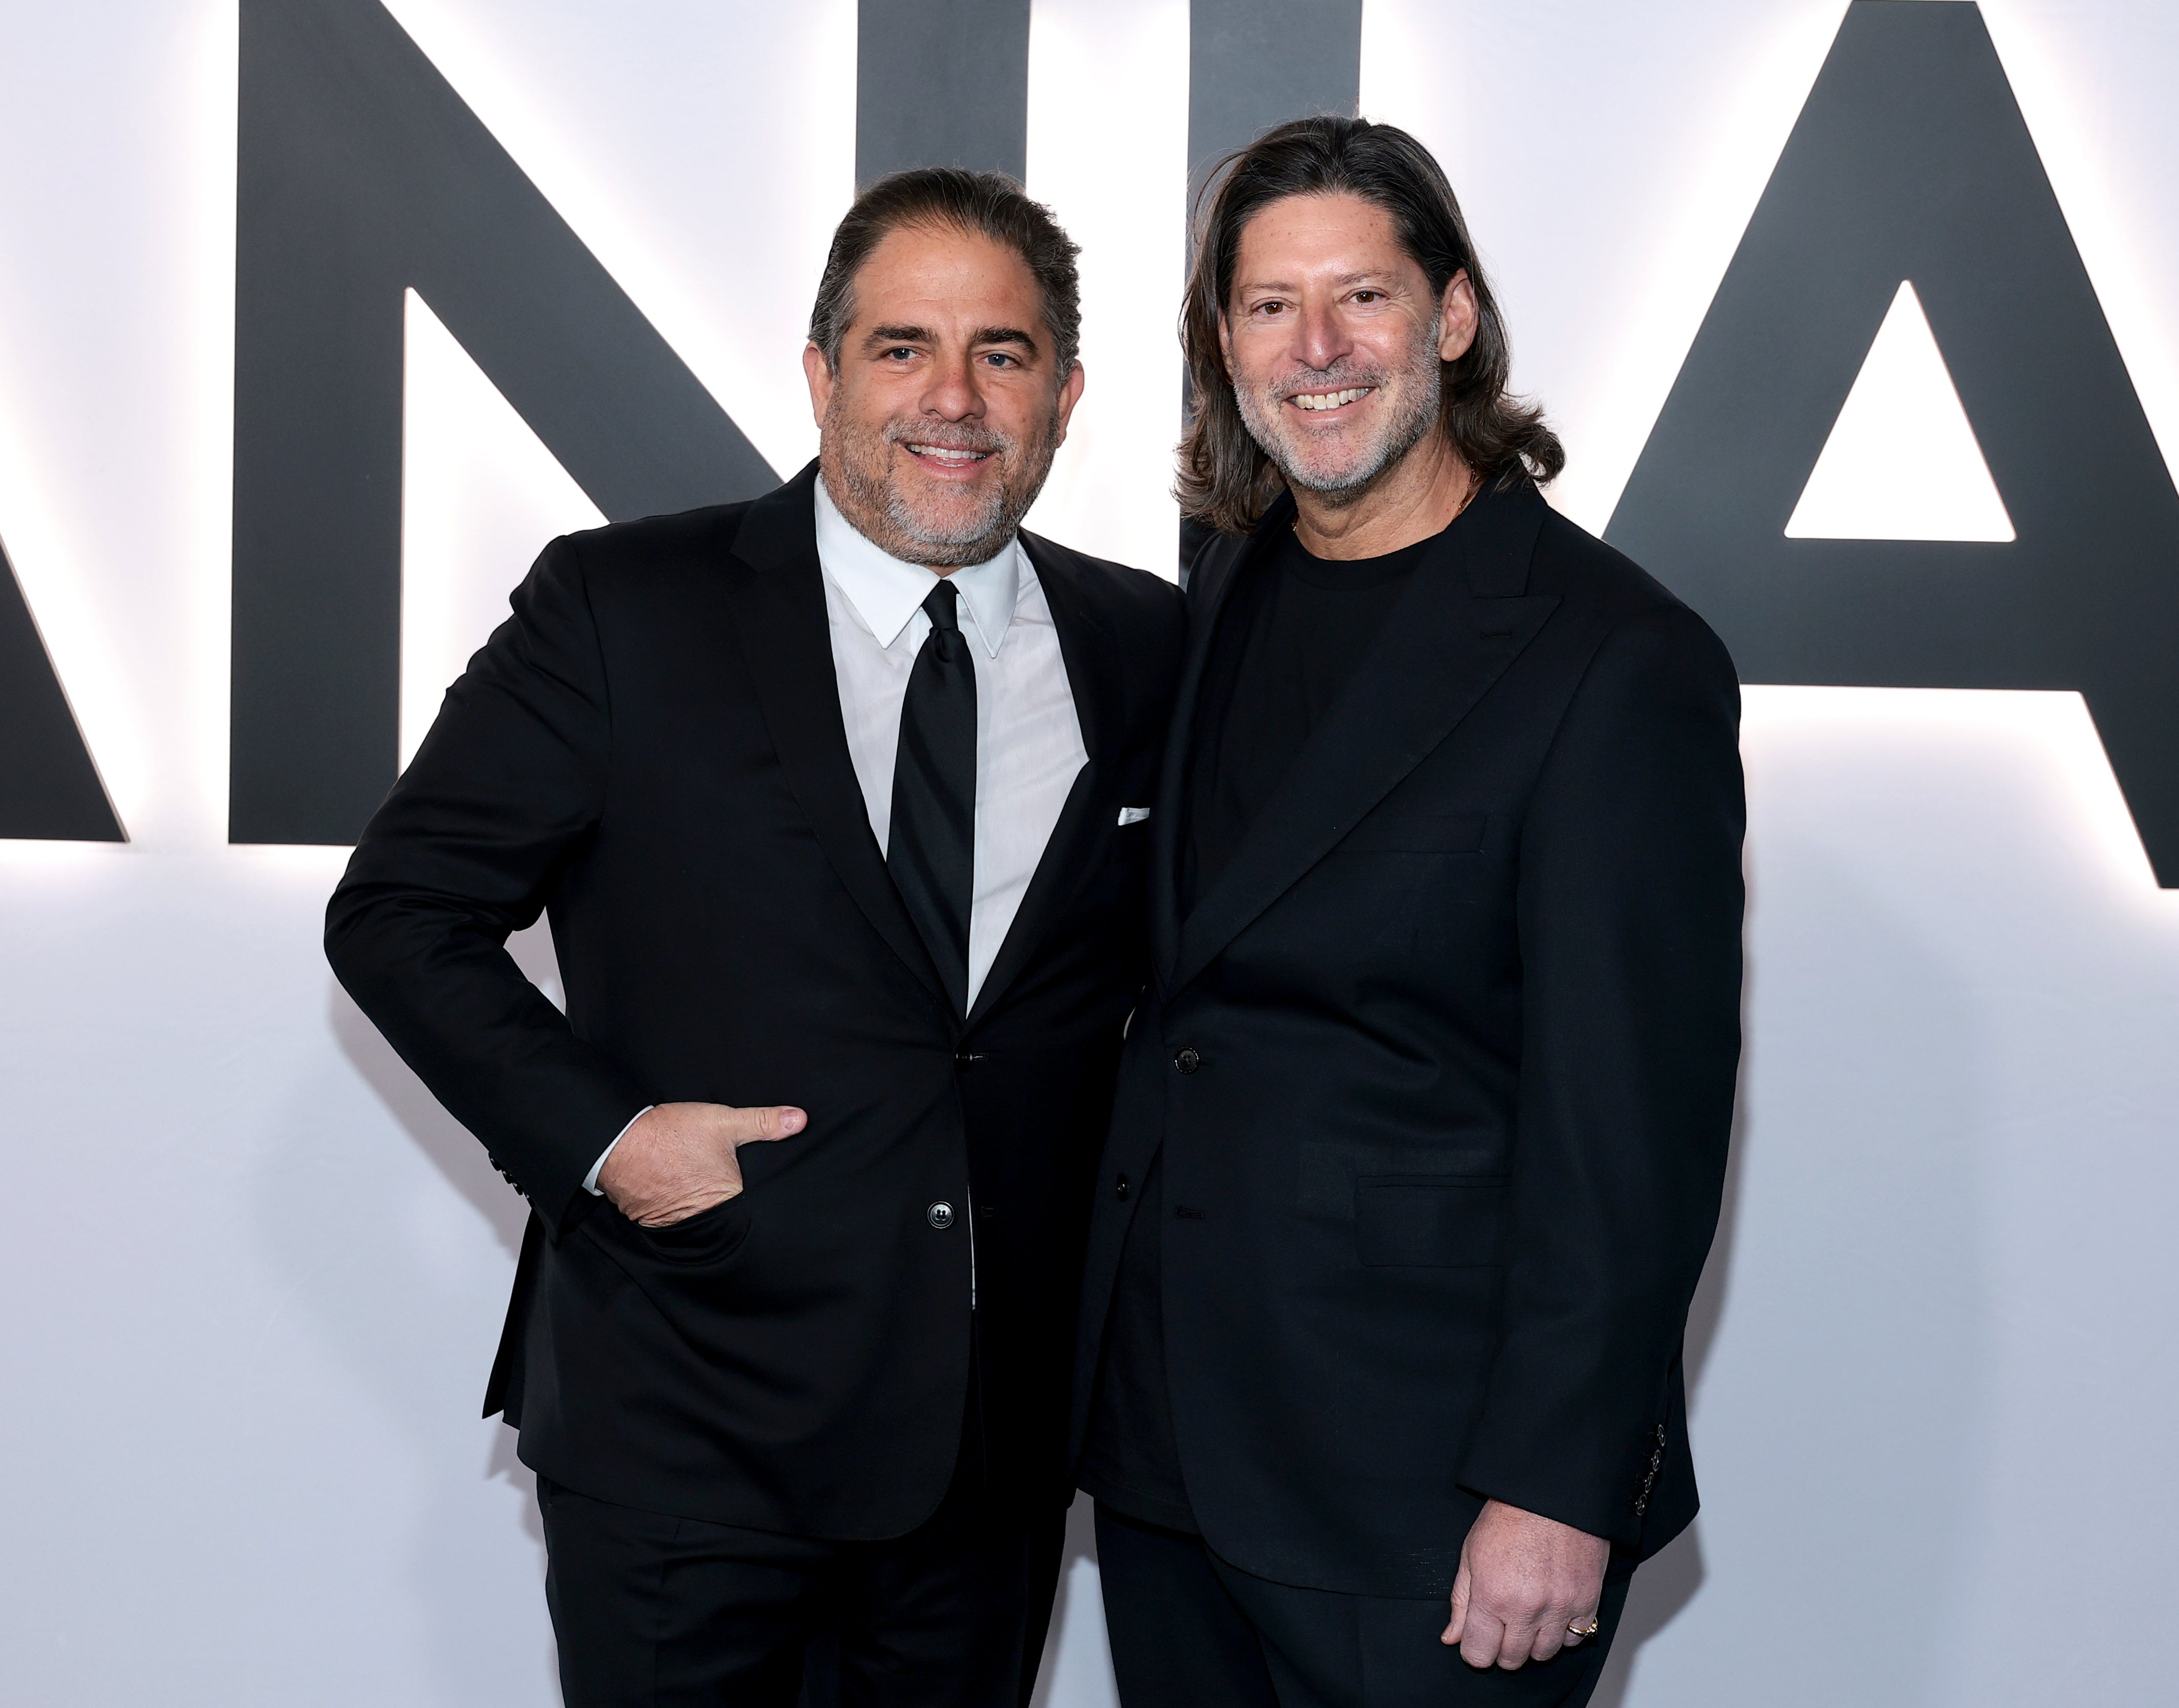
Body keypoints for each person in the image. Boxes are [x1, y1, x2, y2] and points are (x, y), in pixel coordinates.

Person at [326, 168, 1183, 1707]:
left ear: (1063, 395)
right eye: (901, 345)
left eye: (1002, 352)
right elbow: (399, 914)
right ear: (821, 373)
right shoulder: (622, 607)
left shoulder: (1148, 648)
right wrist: (604, 1143)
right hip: (687, 1427)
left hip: (991, 1460)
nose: (955, 397)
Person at [1070, 117, 1746, 1707]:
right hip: (1169, 1450)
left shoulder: (1612, 660)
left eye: (1361, 299)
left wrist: (1560, 1487)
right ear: (1221, 345)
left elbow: (1630, 1137)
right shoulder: (1221, 583)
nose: (1316, 351)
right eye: (1266, 307)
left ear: (1451, 318)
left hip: (1431, 1494)